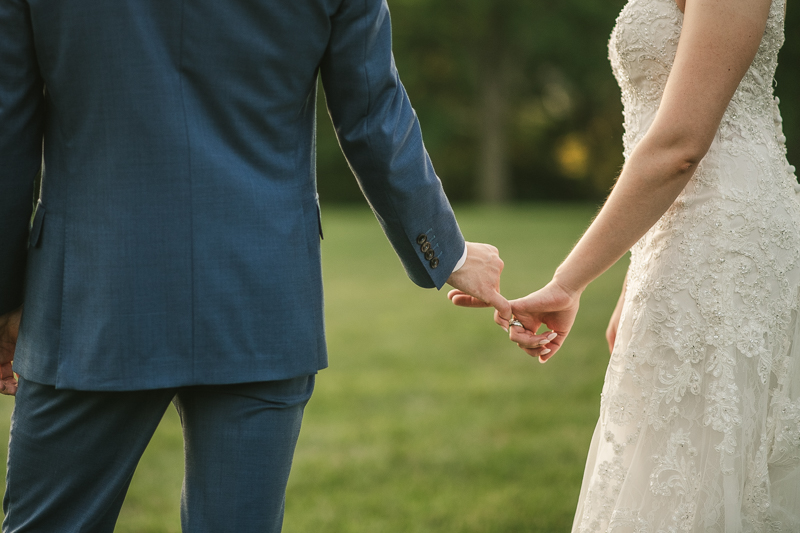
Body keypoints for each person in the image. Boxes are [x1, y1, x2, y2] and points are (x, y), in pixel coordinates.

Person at [0, 0, 517, 531]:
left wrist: (6, 297)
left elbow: (6, 127)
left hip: (92, 298)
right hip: (261, 293)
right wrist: (448, 251)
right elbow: (372, 115)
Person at [451, 0, 800, 530]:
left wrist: (567, 283)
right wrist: (640, 270)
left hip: (731, 248)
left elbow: (681, 144)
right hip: (682, 239)